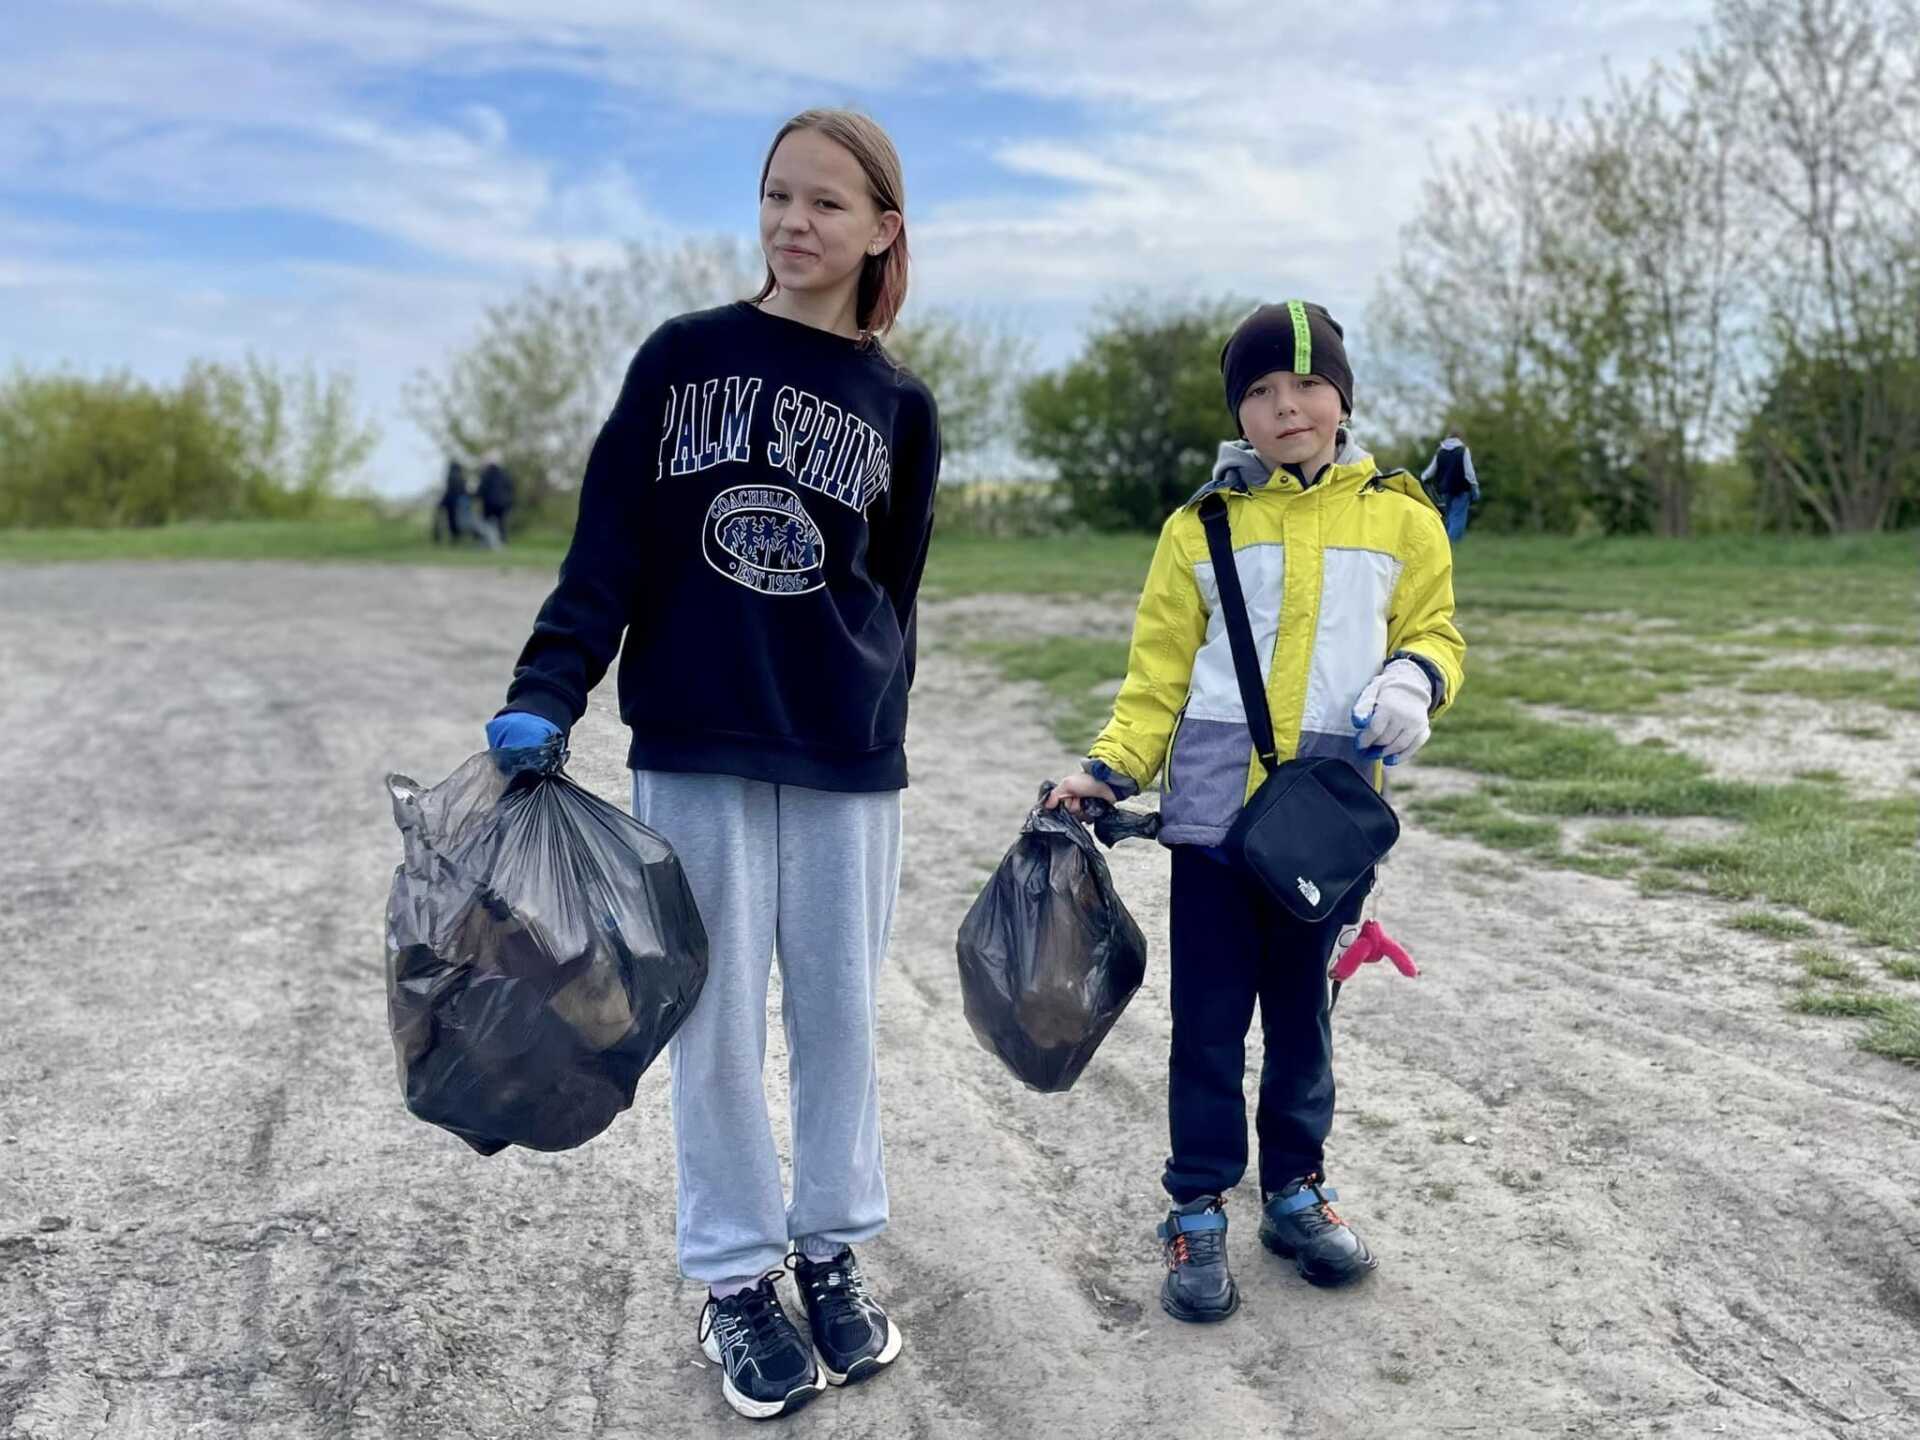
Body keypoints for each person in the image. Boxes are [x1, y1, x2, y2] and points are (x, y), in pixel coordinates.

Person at [483, 107, 938, 1421]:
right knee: (717, 1024)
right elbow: (608, 548)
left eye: (827, 204)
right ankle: (737, 1276)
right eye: (777, 195)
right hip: (696, 744)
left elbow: (893, 590)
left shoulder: (900, 405)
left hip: (845, 755)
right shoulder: (684, 359)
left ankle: (831, 1248)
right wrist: (546, 688)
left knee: (839, 1018)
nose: (794, 222)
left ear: (882, 230)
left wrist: (876, 715)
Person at [1046, 301, 1465, 1324]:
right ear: (1239, 410)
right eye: (1262, 391)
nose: (1287, 407)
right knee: (1207, 1025)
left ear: (1343, 399)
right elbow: (1155, 679)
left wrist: (1415, 680)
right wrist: (1109, 770)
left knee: (1303, 1023)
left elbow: (1437, 633)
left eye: (1308, 386)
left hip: (1325, 830)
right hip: (1214, 833)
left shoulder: (1403, 520)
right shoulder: (1198, 528)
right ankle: (1196, 1205)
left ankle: (1295, 1192)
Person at [1423, 432, 1480, 541]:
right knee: (1458, 516)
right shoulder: (1463, 450)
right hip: (1462, 489)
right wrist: (1474, 486)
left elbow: (1430, 471)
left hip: (1445, 489)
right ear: (1460, 438)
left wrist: (1423, 478)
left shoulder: (1440, 452)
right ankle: (1451, 541)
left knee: (1449, 516)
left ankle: (1446, 541)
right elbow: (1469, 473)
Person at [478, 459, 515, 544]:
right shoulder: (505, 474)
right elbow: (510, 488)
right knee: (501, 523)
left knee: (487, 523)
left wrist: (477, 496)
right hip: (502, 504)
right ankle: (502, 540)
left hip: (489, 504)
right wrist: (509, 502)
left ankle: (488, 541)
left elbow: (482, 489)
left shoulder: (486, 475)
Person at [433, 460, 471, 543]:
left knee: (452, 521)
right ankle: (458, 536)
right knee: (459, 521)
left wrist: (442, 503)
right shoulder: (462, 478)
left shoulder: (450, 477)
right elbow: (464, 491)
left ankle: (454, 538)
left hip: (450, 503)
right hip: (460, 503)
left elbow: (448, 491)